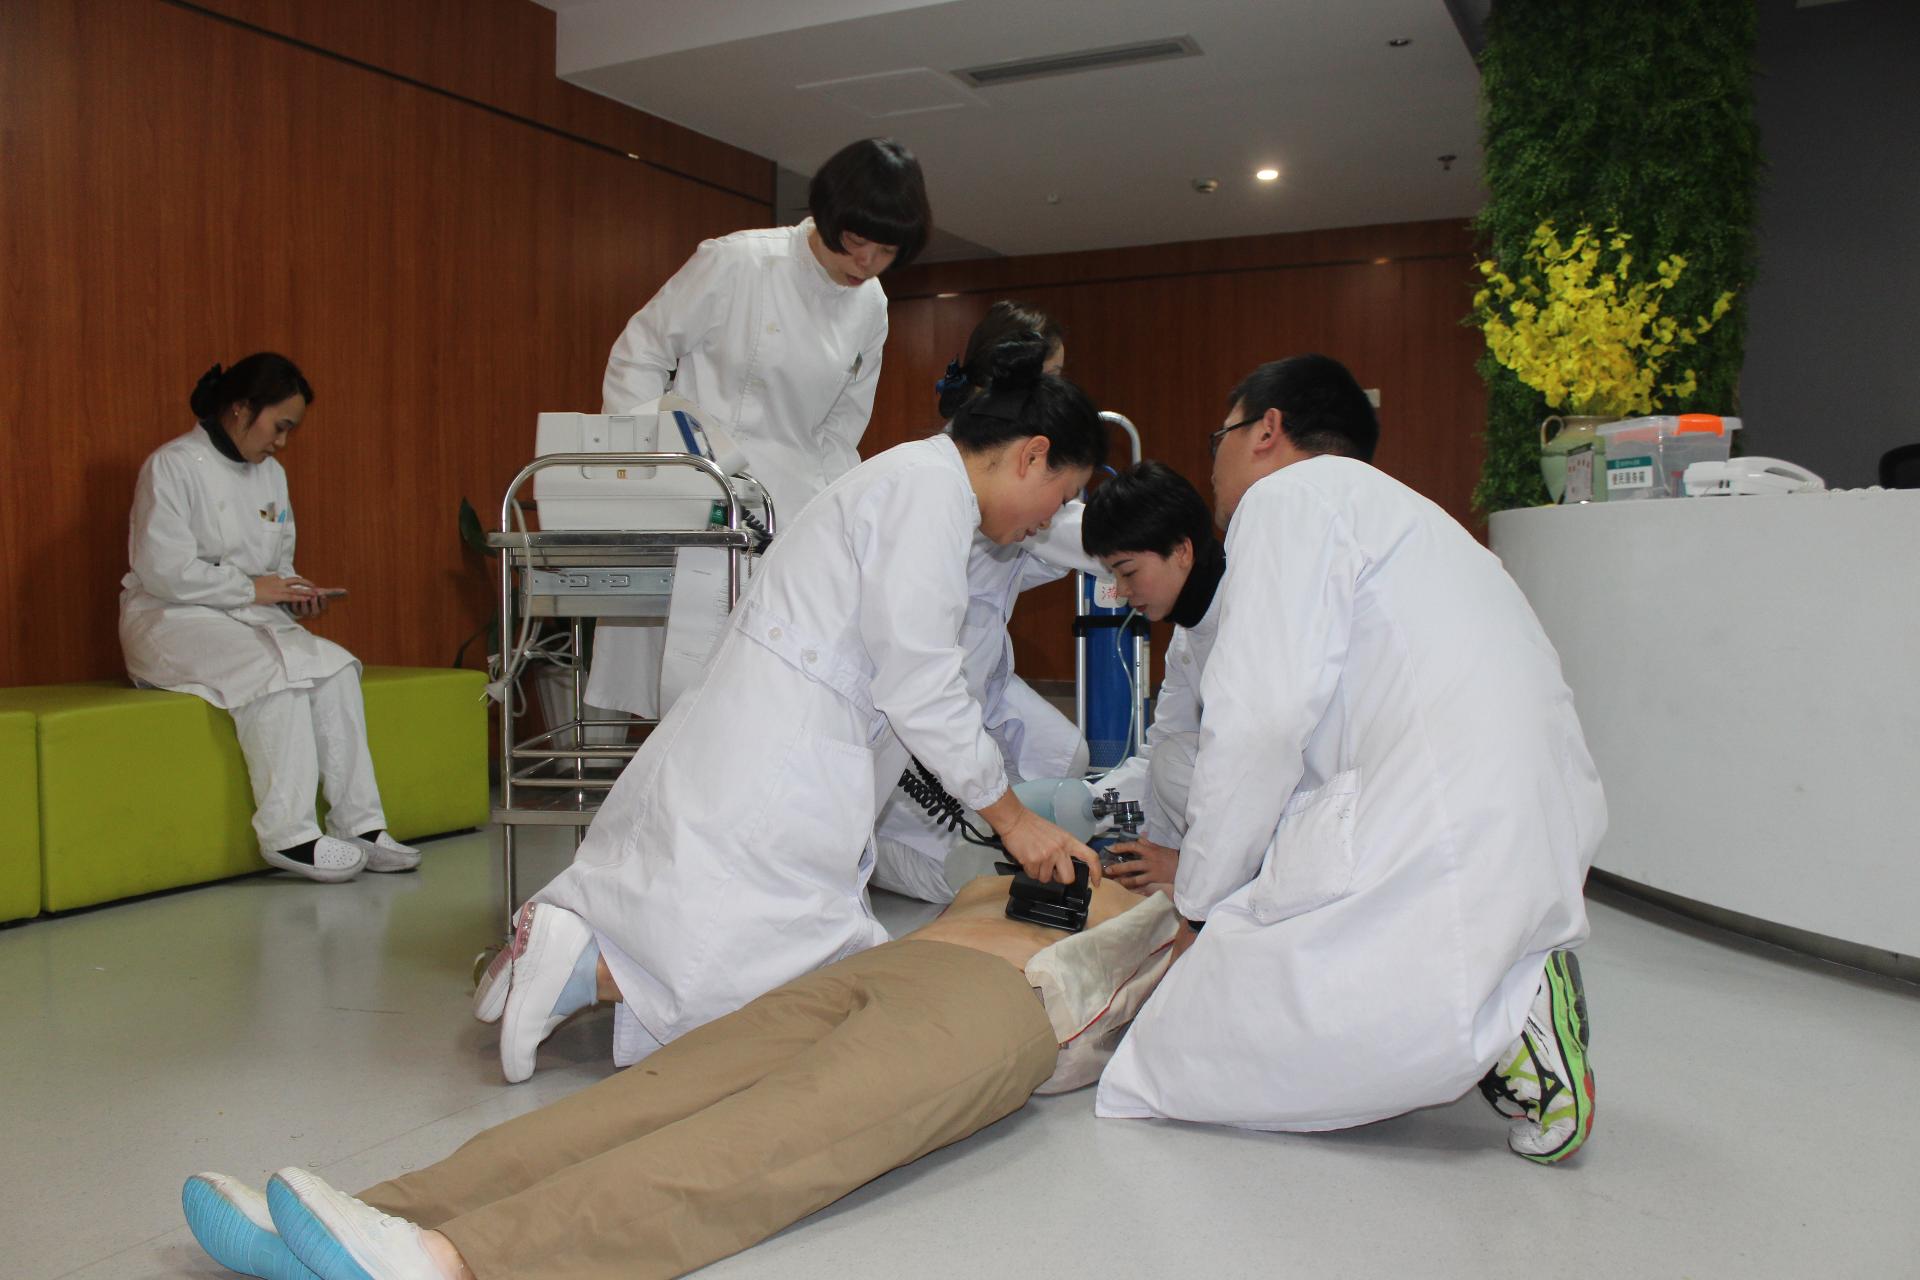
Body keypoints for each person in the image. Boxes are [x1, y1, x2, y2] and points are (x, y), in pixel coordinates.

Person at [480, 337, 1108, 1083]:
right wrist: (1013, 820)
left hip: (783, 731)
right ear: (1033, 455)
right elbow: (922, 684)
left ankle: (568, 962)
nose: (1050, 520)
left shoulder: (919, 480)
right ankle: (578, 968)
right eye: (1062, 497)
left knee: (747, 937)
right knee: (777, 957)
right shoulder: (929, 493)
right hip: (787, 745)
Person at [1093, 355, 1606, 1164]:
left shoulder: (1287, 499)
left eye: (1219, 439)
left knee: (1173, 1052)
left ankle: (1516, 1017)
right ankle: (1508, 989)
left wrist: (1198, 906)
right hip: (1526, 815)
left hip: (1445, 825)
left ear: (1266, 431)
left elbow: (1259, 726)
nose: (1213, 466)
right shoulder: (1405, 514)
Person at [183, 875, 1175, 1280]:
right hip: (896, 962)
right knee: (647, 1095)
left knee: (758, 1140)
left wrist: (1177, 891)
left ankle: (452, 1258)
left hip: (1000, 1008)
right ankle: (365, 1213)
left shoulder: (1186, 911)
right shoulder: (1023, 865)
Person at [587, 137, 933, 719]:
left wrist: (839, 526)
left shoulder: (871, 304)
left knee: (761, 701)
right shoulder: (740, 261)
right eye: (856, 242)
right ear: (828, 215)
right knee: (665, 689)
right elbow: (640, 353)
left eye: (886, 251)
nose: (867, 263)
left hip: (788, 512)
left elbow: (839, 432)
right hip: (694, 490)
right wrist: (651, 467)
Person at [119, 356, 418, 884]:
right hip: (170, 619)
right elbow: (162, 570)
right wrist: (252, 589)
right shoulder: (172, 465)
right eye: (279, 427)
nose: (281, 442)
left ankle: (360, 826)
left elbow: (278, 566)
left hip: (245, 616)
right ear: (240, 409)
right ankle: (288, 834)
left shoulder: (272, 475)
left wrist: (295, 593)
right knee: (275, 672)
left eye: (289, 431)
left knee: (336, 668)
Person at [872, 301, 1106, 903]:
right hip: (929, 691)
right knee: (956, 869)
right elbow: (920, 683)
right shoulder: (944, 485)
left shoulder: (970, 483)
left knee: (1062, 756)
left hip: (978, 677)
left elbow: (1035, 552)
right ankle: (877, 851)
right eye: (1050, 379)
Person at [1079, 460, 1225, 892]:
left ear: (1181, 550)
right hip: (1247, 810)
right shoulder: (1188, 634)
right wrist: (1085, 806)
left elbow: (1259, 769)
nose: (1122, 592)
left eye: (1128, 572)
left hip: (1307, 813)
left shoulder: (1249, 616)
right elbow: (1159, 757)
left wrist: (1188, 867)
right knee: (1171, 759)